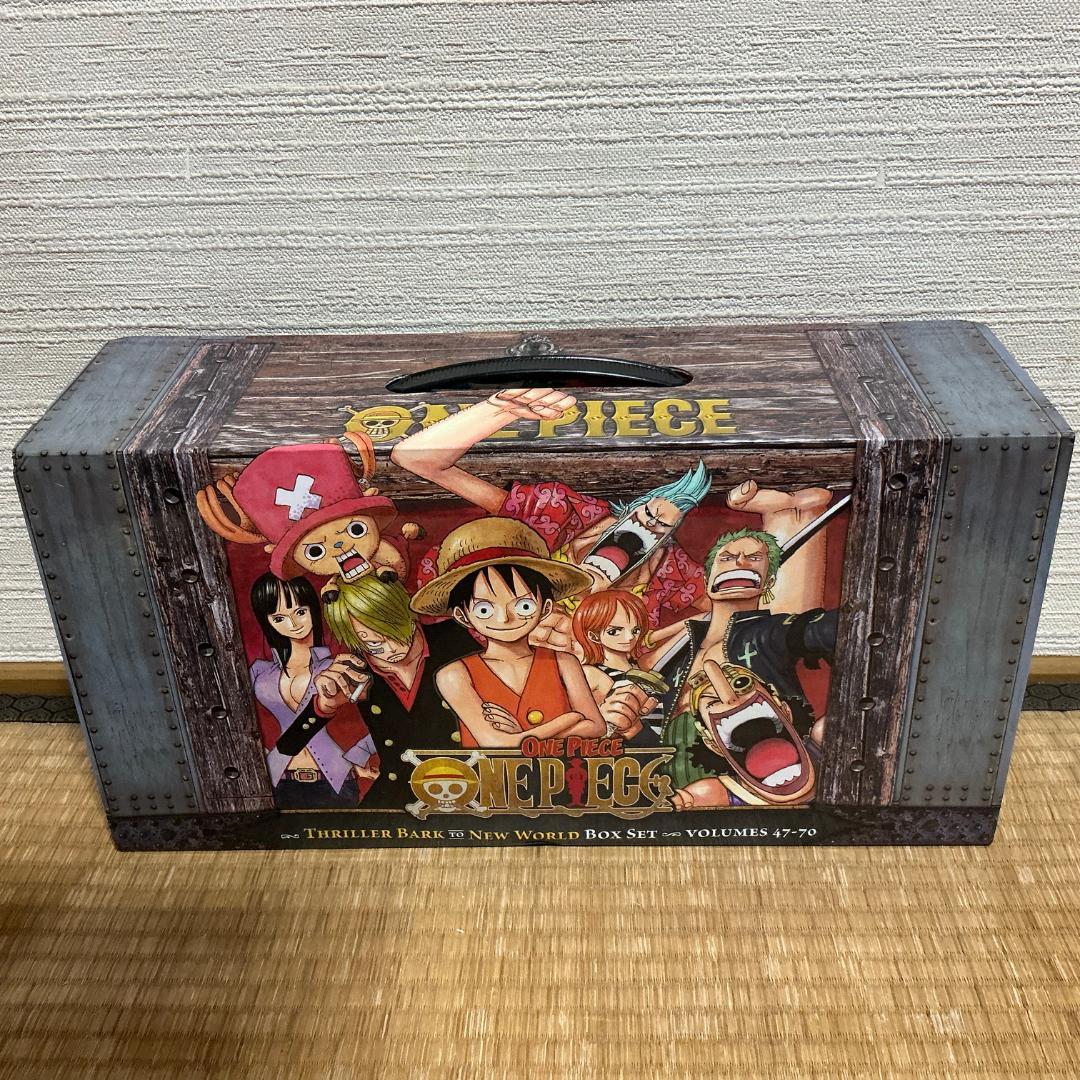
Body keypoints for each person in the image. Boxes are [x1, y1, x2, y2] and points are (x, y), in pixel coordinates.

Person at [390, 388, 712, 638]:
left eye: (660, 528)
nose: (647, 528)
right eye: (646, 515)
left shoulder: (669, 570)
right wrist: (501, 410)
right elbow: (414, 459)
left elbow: (724, 610)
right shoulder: (554, 514)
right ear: (628, 511)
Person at [410, 518, 656, 748]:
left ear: (545, 608)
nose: (504, 618)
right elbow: (494, 741)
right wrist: (568, 719)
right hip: (492, 779)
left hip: (561, 775)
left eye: (523, 606)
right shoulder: (453, 674)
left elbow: (595, 726)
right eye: (485, 609)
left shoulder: (564, 662)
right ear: (463, 616)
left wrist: (521, 735)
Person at [321, 573, 481, 808]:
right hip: (397, 792)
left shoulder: (457, 636)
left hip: (469, 784)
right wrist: (325, 705)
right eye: (373, 644)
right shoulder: (355, 669)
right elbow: (289, 745)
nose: (391, 649)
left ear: (410, 616)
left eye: (397, 634)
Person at [248, 572, 377, 809]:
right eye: (279, 618)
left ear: (313, 610)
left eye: (300, 612)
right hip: (278, 780)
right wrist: (261, 757)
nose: (293, 624)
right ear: (267, 621)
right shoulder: (259, 672)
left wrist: (357, 756)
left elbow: (387, 720)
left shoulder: (339, 666)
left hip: (334, 781)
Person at [571, 589, 660, 745]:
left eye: (635, 630)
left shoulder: (644, 670)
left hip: (655, 747)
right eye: (614, 631)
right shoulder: (590, 674)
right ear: (593, 636)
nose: (630, 637)